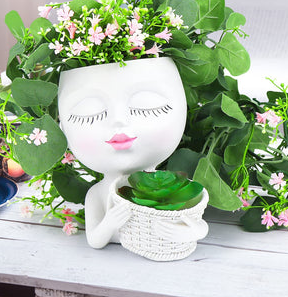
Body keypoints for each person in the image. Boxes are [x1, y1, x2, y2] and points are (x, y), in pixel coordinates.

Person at [58, 57, 208, 248]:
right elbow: (95, 241)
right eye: (90, 113)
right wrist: (109, 223)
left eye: (147, 107)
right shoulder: (97, 194)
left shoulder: (171, 187)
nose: (119, 121)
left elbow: (195, 222)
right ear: (62, 128)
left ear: (183, 111)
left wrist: (194, 232)